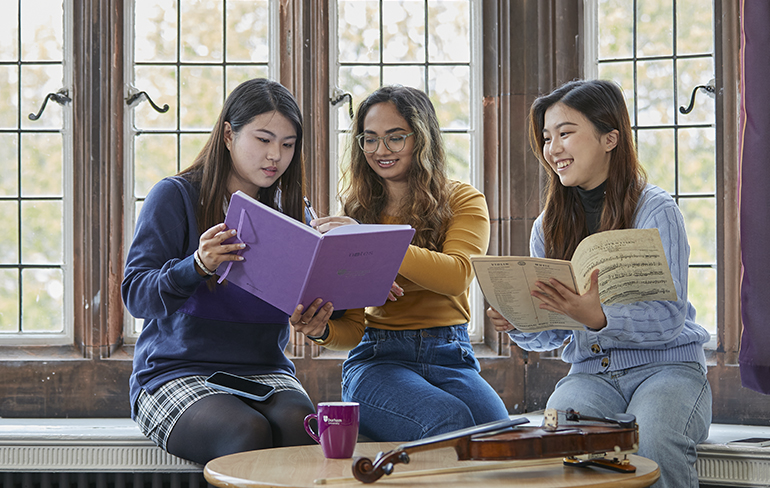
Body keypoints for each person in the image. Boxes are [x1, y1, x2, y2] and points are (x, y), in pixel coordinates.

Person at [487, 79, 712, 488]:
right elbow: (555, 332)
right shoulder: (547, 225)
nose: (553, 148)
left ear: (610, 138)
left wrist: (598, 316)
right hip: (590, 376)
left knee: (656, 441)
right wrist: (522, 322)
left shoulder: (657, 210)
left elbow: (669, 320)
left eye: (566, 133)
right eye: (547, 137)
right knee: (559, 440)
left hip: (668, 370)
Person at [122, 78, 332, 465]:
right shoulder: (176, 196)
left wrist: (322, 318)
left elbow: (309, 302)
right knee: (245, 431)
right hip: (177, 371)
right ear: (228, 135)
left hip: (264, 371)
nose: (276, 157)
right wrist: (197, 265)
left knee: (300, 426)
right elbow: (136, 295)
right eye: (264, 140)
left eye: (288, 145)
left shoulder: (292, 211)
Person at [291, 85, 510, 442]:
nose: (381, 151)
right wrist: (320, 330)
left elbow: (457, 275)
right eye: (370, 139)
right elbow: (353, 328)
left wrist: (374, 246)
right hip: (378, 360)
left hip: (451, 355)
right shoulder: (356, 214)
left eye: (395, 138)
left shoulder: (464, 199)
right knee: (449, 421)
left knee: (502, 440)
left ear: (421, 138)